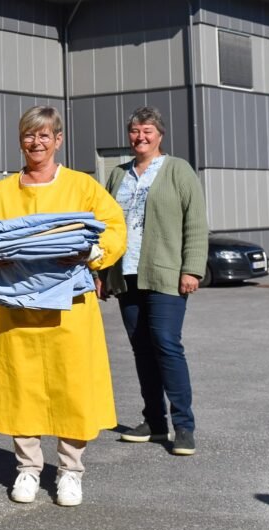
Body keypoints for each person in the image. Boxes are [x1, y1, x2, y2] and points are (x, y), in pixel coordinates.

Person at [0, 106, 125, 507]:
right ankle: (28, 467)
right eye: (28, 135)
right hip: (16, 309)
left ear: (58, 140)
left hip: (69, 309)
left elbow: (115, 228)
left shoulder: (82, 187)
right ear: (21, 140)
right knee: (22, 388)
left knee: (73, 388)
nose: (36, 143)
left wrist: (92, 251)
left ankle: (71, 471)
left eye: (44, 136)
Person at [99, 106, 208, 456]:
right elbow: (103, 225)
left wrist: (192, 268)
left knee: (166, 343)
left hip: (166, 274)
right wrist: (102, 272)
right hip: (126, 275)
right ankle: (155, 422)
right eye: (134, 131)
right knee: (141, 348)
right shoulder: (117, 174)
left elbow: (195, 222)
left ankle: (184, 425)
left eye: (147, 130)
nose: (140, 137)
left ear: (160, 135)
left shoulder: (178, 170)